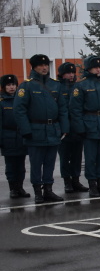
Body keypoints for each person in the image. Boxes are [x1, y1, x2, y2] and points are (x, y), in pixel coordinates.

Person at [13, 54, 69, 203]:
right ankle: (38, 191)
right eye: (40, 66)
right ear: (34, 67)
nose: (44, 68)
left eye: (45, 65)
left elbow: (62, 108)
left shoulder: (55, 85)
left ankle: (48, 190)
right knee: (36, 163)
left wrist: (64, 127)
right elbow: (19, 110)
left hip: (53, 129)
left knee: (50, 162)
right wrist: (26, 130)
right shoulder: (27, 85)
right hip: (35, 129)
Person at [70, 55, 100, 197]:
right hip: (89, 123)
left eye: (99, 66)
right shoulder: (81, 85)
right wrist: (80, 128)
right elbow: (75, 109)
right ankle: (92, 185)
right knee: (91, 158)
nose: (98, 69)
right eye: (95, 67)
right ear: (88, 68)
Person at [56, 62, 89, 194]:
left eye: (72, 72)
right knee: (65, 157)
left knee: (77, 156)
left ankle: (76, 180)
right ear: (62, 74)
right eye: (68, 73)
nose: (71, 75)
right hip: (64, 129)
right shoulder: (58, 87)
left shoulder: (78, 87)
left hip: (77, 127)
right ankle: (67, 182)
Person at [1, 74, 30, 198]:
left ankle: (20, 188)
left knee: (21, 165)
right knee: (11, 166)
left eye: (13, 84)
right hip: (7, 136)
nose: (11, 87)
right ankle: (13, 188)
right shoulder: (2, 102)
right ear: (3, 87)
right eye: (8, 85)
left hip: (20, 135)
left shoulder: (21, 99)